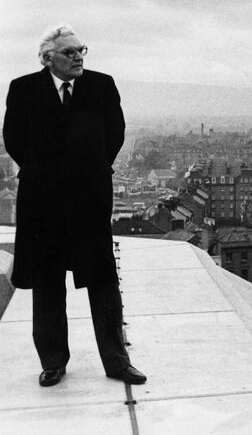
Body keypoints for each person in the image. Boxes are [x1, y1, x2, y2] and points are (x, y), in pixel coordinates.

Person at [3, 25, 146, 387]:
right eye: (69, 52)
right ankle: (52, 361)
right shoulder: (24, 89)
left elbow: (116, 132)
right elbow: (14, 139)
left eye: (81, 49)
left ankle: (117, 362)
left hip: (88, 200)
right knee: (48, 282)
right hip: (43, 203)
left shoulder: (101, 85)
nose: (79, 56)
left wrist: (94, 169)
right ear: (48, 58)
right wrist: (43, 173)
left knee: (102, 280)